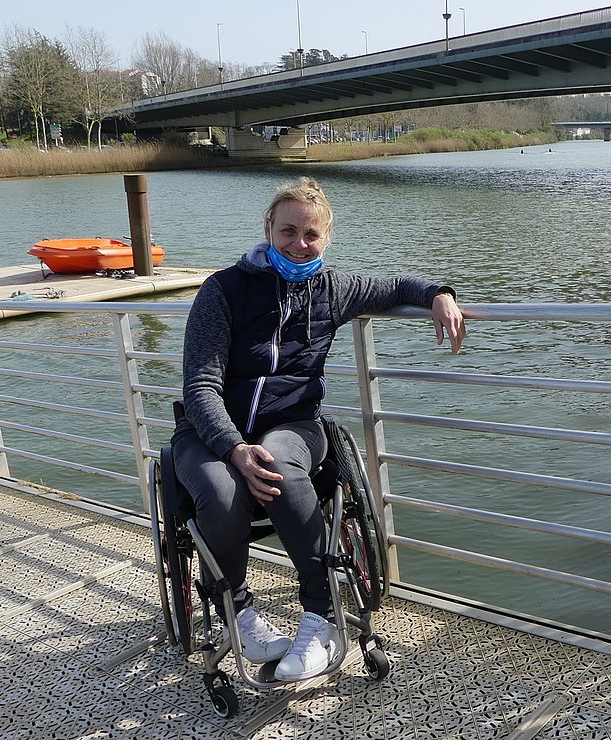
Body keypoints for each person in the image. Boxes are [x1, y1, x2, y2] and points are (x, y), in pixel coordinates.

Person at [171, 177, 465, 683]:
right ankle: (237, 615)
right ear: (268, 229)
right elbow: (200, 386)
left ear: (326, 239)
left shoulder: (333, 289)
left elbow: (396, 286)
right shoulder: (223, 290)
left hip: (294, 425)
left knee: (279, 463)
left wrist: (441, 294)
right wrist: (234, 448)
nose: (298, 244)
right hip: (209, 432)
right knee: (220, 492)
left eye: (311, 235)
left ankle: (321, 617)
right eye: (288, 231)